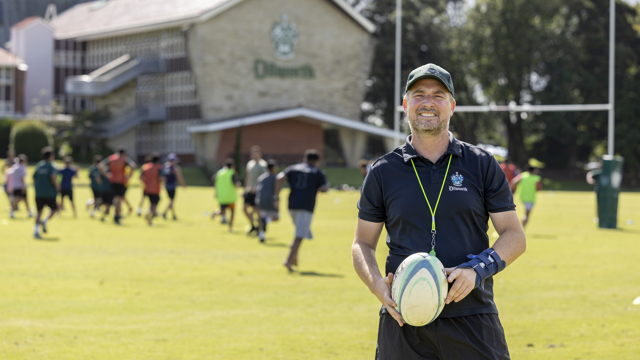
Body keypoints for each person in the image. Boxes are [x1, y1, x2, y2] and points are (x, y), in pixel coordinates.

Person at [351, 63, 526, 359]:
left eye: (438, 95)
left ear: (452, 106)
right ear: (406, 105)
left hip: (472, 315)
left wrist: (477, 269)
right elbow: (362, 243)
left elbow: (514, 235)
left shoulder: (481, 164)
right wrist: (377, 286)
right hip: (403, 318)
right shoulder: (382, 171)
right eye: (419, 94)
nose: (428, 102)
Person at [274, 149, 329, 271]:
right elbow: (324, 188)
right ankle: (288, 261)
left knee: (298, 232)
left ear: (305, 158)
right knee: (299, 235)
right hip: (306, 206)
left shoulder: (293, 168)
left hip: (292, 204)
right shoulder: (318, 172)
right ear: (317, 161)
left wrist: (276, 197)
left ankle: (294, 258)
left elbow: (279, 178)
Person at [99, 147, 136, 224]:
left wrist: (106, 174)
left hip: (112, 180)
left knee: (116, 197)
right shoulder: (124, 159)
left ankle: (115, 214)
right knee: (118, 199)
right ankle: (117, 216)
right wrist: (129, 175)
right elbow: (133, 165)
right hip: (121, 180)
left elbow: (100, 165)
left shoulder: (111, 158)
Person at [33, 147, 59, 239]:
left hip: (39, 193)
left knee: (39, 212)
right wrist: (57, 186)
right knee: (55, 209)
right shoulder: (52, 166)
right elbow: (53, 177)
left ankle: (35, 231)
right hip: (49, 193)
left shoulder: (39, 165)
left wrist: (37, 188)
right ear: (51, 156)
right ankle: (45, 221)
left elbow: (34, 178)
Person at [243, 145, 268, 235]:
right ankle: (253, 225)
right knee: (245, 208)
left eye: (257, 152)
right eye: (253, 153)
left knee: (257, 210)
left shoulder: (263, 165)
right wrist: (245, 187)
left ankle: (260, 228)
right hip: (249, 190)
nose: (255, 154)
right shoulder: (250, 164)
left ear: (260, 154)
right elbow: (248, 176)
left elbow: (264, 178)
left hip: (257, 191)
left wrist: (257, 187)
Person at [211, 158, 241, 232]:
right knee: (232, 212)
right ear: (232, 166)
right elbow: (235, 184)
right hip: (230, 196)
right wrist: (238, 184)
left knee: (222, 211)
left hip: (222, 196)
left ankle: (215, 212)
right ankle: (230, 227)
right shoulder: (232, 173)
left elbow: (213, 180)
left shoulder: (219, 172)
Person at [255, 159, 280, 243]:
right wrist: (277, 200)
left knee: (263, 217)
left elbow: (257, 189)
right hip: (271, 200)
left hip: (261, 200)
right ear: (273, 168)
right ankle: (266, 221)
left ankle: (262, 235)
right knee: (276, 218)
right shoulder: (276, 178)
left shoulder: (262, 177)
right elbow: (277, 190)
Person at [140, 153, 165, 226]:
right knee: (154, 205)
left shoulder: (145, 167)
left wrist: (146, 182)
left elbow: (141, 177)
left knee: (151, 204)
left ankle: (148, 216)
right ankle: (149, 218)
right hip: (155, 189)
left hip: (147, 188)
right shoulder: (159, 167)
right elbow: (161, 178)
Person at [161, 153, 186, 220]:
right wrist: (183, 184)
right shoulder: (175, 168)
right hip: (172, 185)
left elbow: (163, 177)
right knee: (171, 201)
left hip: (166, 185)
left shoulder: (165, 166)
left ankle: (173, 215)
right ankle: (164, 213)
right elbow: (179, 177)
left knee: (171, 201)